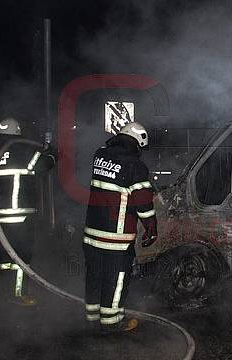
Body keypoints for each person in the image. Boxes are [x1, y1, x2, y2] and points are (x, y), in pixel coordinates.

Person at [83, 122, 158, 332]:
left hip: (92, 232)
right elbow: (143, 202)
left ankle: (92, 315)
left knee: (94, 274)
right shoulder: (135, 165)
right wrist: (151, 227)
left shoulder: (100, 155)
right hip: (116, 236)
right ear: (138, 142)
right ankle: (111, 321)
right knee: (116, 278)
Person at [0, 117, 55, 306]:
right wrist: (51, 154)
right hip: (19, 212)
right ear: (17, 131)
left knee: (6, 254)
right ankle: (18, 294)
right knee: (22, 254)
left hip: (0, 212)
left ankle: (5, 291)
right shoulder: (19, 148)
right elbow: (42, 165)